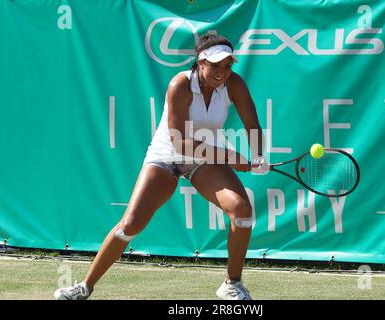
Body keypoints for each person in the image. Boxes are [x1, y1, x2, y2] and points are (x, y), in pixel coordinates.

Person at [54, 33, 267, 300]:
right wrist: (228, 156)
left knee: (242, 210)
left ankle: (232, 284)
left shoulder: (234, 84)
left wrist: (258, 155)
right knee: (130, 224)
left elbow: (252, 123)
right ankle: (84, 286)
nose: (222, 72)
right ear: (200, 63)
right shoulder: (180, 84)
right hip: (168, 153)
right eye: (215, 65)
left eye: (227, 65)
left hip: (204, 158)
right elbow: (179, 142)